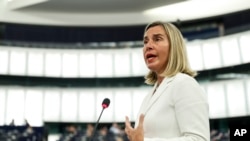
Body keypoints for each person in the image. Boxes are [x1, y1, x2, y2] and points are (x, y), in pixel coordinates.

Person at [124, 21, 210, 141]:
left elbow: (199, 139)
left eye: (157, 39)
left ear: (174, 46)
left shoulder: (185, 84)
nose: (148, 45)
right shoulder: (149, 96)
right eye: (145, 41)